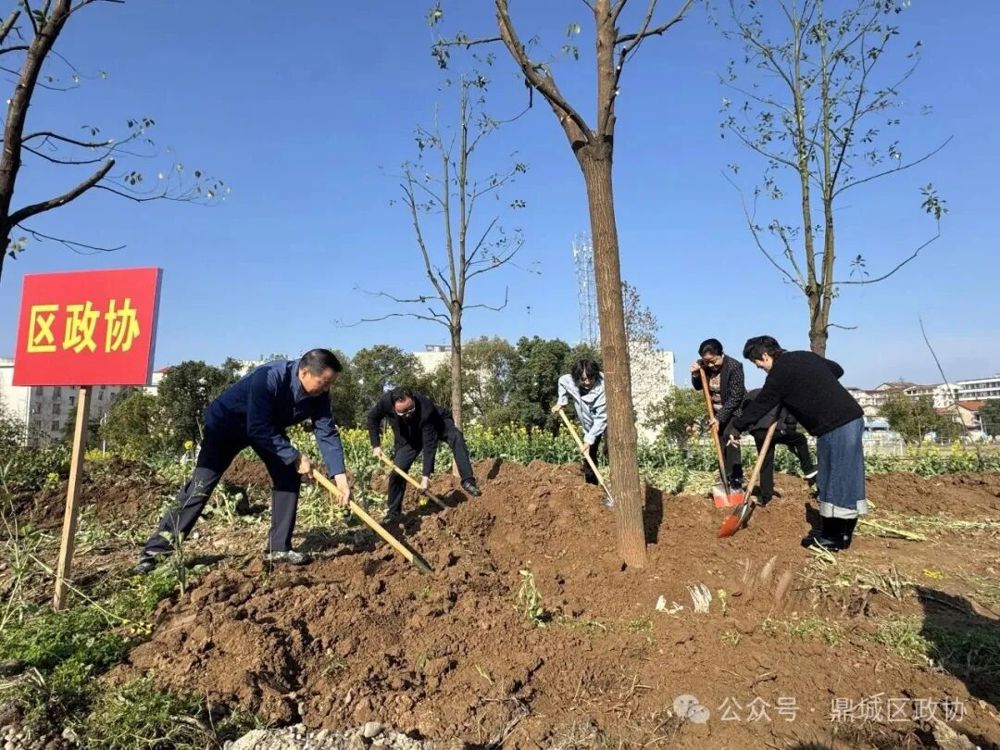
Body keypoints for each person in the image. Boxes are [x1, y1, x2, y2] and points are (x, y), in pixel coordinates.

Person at [135, 349, 352, 572]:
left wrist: (340, 478)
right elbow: (256, 426)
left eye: (330, 384)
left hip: (267, 429)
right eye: (324, 382)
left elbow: (326, 431)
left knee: (288, 476)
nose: (327, 389)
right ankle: (155, 552)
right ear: (304, 372)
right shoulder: (269, 376)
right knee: (202, 483)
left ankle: (278, 548)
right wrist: (294, 455)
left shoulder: (320, 394)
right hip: (227, 424)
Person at [731, 336, 866, 551]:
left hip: (838, 423)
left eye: (755, 361)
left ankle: (835, 537)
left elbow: (762, 404)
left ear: (765, 356)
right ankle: (839, 533)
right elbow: (837, 370)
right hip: (845, 420)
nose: (757, 366)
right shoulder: (804, 356)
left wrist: (736, 427)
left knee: (838, 478)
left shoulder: (779, 374)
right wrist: (807, 386)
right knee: (834, 476)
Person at [367, 386, 480, 525]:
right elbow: (372, 418)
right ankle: (393, 513)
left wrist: (425, 477)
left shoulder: (425, 406)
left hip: (438, 424)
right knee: (397, 471)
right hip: (410, 437)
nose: (408, 414)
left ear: (413, 399)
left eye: (411, 409)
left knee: (456, 436)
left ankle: (468, 480)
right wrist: (376, 445)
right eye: (403, 412)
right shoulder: (385, 402)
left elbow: (429, 445)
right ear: (393, 408)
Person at [740, 388, 818, 506]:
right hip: (775, 429)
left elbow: (743, 412)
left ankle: (766, 496)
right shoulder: (783, 392)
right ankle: (808, 469)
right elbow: (791, 417)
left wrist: (751, 429)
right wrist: (790, 434)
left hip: (758, 432)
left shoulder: (752, 394)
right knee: (800, 439)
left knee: (765, 461)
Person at [690, 338, 746, 491]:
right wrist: (695, 374)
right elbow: (698, 386)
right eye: (706, 361)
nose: (710, 365)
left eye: (713, 361)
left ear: (721, 354)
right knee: (720, 442)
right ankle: (725, 478)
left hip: (735, 410)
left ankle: (736, 479)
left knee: (730, 437)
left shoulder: (734, 367)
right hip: (715, 411)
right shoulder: (703, 365)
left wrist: (719, 418)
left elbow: (736, 397)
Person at [552, 358, 607, 486]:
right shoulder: (570, 380)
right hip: (588, 426)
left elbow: (601, 418)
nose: (587, 382)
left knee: (610, 449)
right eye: (583, 379)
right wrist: (562, 402)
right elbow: (562, 381)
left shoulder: (603, 388)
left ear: (595, 375)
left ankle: (617, 487)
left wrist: (589, 439)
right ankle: (592, 489)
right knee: (588, 456)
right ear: (577, 377)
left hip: (605, 422)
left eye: (590, 378)